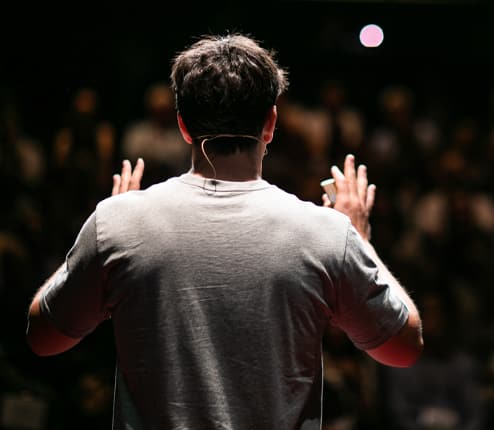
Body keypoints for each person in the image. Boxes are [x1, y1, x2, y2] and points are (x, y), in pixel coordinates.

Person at [25, 33, 423, 429]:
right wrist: (360, 238)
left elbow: (43, 337)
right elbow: (402, 348)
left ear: (183, 125)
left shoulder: (118, 222)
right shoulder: (326, 232)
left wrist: (107, 232)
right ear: (270, 123)